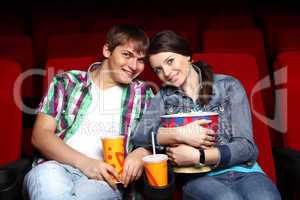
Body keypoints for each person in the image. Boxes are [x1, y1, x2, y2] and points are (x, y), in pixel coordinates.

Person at [132, 30, 281, 200]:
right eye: (158, 69)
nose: (166, 72)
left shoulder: (228, 86)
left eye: (170, 61)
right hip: (198, 178)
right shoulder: (163, 97)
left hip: (245, 171)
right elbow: (140, 137)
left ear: (187, 55)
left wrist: (199, 156)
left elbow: (247, 148)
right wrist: (178, 134)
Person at [23, 25, 153, 200]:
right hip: (54, 166)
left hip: (107, 178)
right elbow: (40, 136)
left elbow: (155, 140)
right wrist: (85, 163)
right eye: (127, 55)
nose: (133, 66)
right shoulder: (66, 82)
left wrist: (142, 152)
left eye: (141, 60)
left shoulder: (143, 94)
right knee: (49, 183)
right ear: (107, 50)